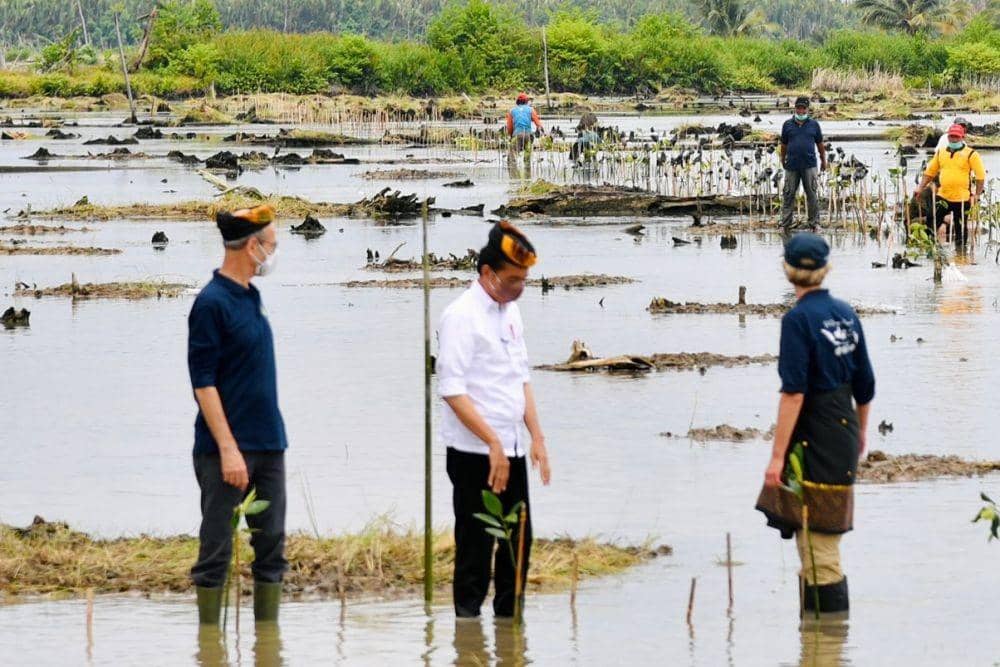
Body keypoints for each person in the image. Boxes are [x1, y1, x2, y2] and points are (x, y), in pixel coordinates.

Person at [437, 221, 552, 619]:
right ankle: (466, 637)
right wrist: (492, 442)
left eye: (524, 280)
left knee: (519, 544)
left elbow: (521, 378)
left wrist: (536, 436)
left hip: (513, 449)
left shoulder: (511, 312)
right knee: (476, 548)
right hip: (475, 454)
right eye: (512, 280)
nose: (519, 287)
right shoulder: (460, 316)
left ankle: (510, 633)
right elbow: (452, 390)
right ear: (487, 273)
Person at [755, 233, 874, 616]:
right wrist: (860, 432)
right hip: (842, 432)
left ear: (787, 271)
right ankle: (813, 647)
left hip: (813, 438)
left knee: (819, 549)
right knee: (811, 541)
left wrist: (776, 460)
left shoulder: (797, 320)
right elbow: (866, 387)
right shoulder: (846, 313)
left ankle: (829, 648)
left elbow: (793, 394)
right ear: (826, 269)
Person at [187, 204, 288, 625]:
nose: (274, 254)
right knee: (216, 551)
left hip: (269, 444)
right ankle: (210, 644)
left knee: (271, 551)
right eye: (271, 246)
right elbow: (203, 382)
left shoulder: (252, 297)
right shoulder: (211, 304)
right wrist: (229, 450)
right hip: (224, 452)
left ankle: (269, 644)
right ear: (251, 246)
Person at [915, 123, 985, 246]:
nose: (954, 139)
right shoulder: (941, 152)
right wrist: (920, 187)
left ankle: (961, 256)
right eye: (951, 136)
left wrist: (977, 195)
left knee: (960, 229)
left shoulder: (971, 154)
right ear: (948, 137)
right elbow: (929, 172)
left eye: (956, 137)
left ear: (962, 137)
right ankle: (930, 249)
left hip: (962, 198)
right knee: (931, 219)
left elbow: (980, 177)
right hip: (943, 196)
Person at [780, 97, 827, 232]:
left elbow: (820, 144)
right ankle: (785, 224)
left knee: (812, 194)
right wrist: (783, 159)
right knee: (788, 194)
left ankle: (814, 223)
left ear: (808, 109)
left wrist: (823, 160)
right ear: (795, 109)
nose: (801, 111)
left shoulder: (814, 125)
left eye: (803, 108)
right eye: (798, 108)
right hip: (792, 165)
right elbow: (784, 144)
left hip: (809, 165)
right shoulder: (787, 125)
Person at [506, 93, 544, 176]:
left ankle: (514, 177)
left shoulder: (512, 111)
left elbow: (509, 127)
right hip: (528, 136)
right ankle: (527, 178)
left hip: (517, 135)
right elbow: (538, 124)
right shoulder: (531, 110)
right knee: (527, 159)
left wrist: (510, 136)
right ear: (526, 102)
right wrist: (540, 130)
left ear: (517, 102)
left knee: (511, 158)